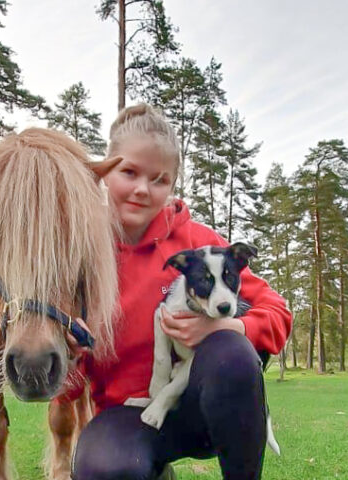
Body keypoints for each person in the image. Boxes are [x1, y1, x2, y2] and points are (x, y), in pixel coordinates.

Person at [66, 103, 292, 480]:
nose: (142, 189)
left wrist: (232, 328)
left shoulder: (201, 246)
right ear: (105, 172)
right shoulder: (82, 258)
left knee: (232, 351)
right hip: (129, 414)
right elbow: (67, 389)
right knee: (104, 469)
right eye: (129, 172)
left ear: (172, 184)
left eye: (159, 179)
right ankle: (154, 471)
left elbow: (277, 312)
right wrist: (70, 354)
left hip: (207, 410)